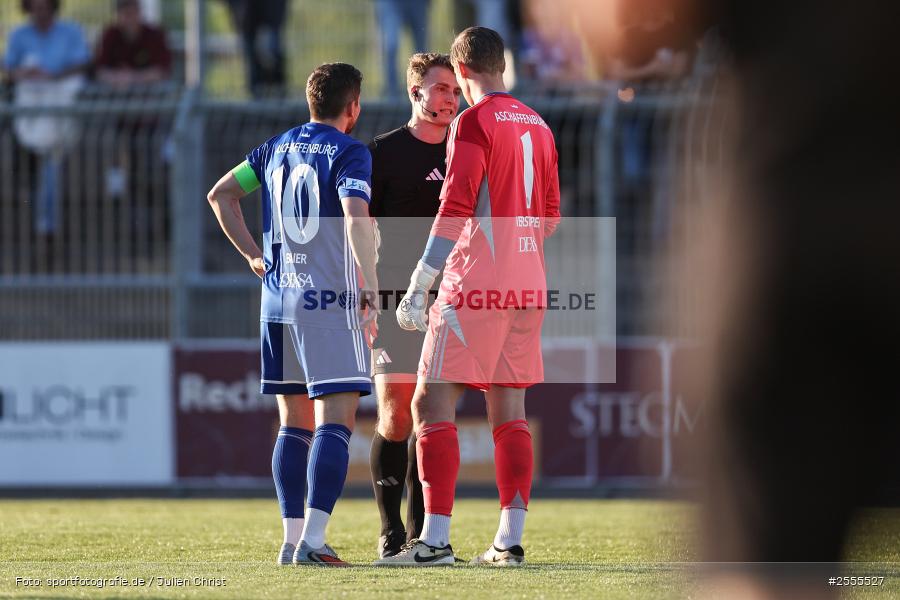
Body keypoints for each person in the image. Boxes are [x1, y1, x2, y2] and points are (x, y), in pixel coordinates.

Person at [374, 27, 560, 567]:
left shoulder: (474, 121)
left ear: (460, 71)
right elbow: (550, 216)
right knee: (510, 411)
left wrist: (419, 283)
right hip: (529, 280)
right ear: (502, 65)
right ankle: (508, 540)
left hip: (477, 280)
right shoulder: (539, 124)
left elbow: (454, 207)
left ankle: (433, 541)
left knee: (430, 403)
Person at [207, 63, 378, 567]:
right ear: (353, 107)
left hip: (279, 301)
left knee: (293, 422)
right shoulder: (350, 151)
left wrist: (252, 254)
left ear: (310, 102)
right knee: (336, 420)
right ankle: (316, 542)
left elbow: (221, 195)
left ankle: (291, 540)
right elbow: (356, 217)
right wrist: (370, 282)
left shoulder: (274, 147)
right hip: (327, 300)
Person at [366, 52, 461, 558]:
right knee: (396, 415)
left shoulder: (467, 147)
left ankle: (426, 537)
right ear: (415, 92)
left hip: (451, 300)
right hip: (391, 299)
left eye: (455, 90)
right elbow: (358, 229)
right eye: (440, 88)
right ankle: (390, 534)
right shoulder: (382, 152)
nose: (450, 98)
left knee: (432, 417)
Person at [3, 0, 90, 246]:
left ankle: (49, 230)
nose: (40, 12)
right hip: (28, 121)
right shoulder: (19, 35)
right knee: (31, 178)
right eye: (35, 7)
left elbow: (82, 62)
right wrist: (25, 74)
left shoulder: (71, 31)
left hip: (60, 119)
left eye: (44, 6)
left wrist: (52, 77)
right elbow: (10, 67)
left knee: (53, 171)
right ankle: (36, 230)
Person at [95, 0, 172, 88]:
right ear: (118, 15)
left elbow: (162, 70)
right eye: (126, 14)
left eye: (133, 13)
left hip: (150, 91)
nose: (130, 19)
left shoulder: (155, 35)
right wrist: (117, 77)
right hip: (115, 91)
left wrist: (134, 77)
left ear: (140, 12)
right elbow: (100, 70)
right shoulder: (110, 34)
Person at [223, 0, 288, 97]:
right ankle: (258, 93)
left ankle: (278, 92)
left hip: (270, 15)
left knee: (272, 55)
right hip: (246, 17)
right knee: (253, 64)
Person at [373, 0, 431, 95]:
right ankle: (392, 94)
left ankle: (423, 90)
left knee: (421, 51)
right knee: (391, 46)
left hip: (418, 3)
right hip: (391, 3)